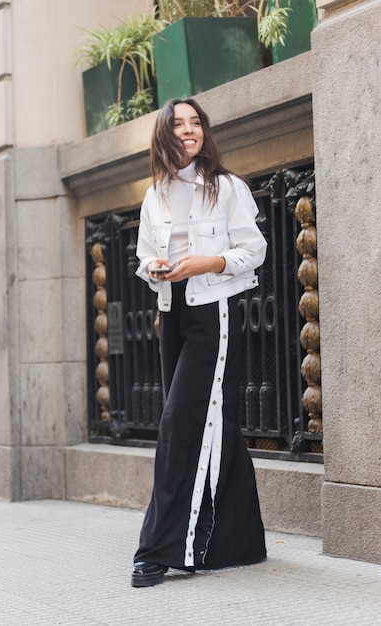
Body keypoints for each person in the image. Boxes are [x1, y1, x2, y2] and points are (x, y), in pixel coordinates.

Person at [132, 98, 267, 588]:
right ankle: (236, 539)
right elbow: (146, 258)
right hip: (174, 312)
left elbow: (253, 251)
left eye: (196, 123)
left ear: (204, 133)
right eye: (178, 124)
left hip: (215, 311)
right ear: (164, 136)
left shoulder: (227, 188)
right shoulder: (156, 196)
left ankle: (160, 548)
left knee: (179, 421)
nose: (188, 131)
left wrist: (204, 264)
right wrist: (157, 268)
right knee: (214, 422)